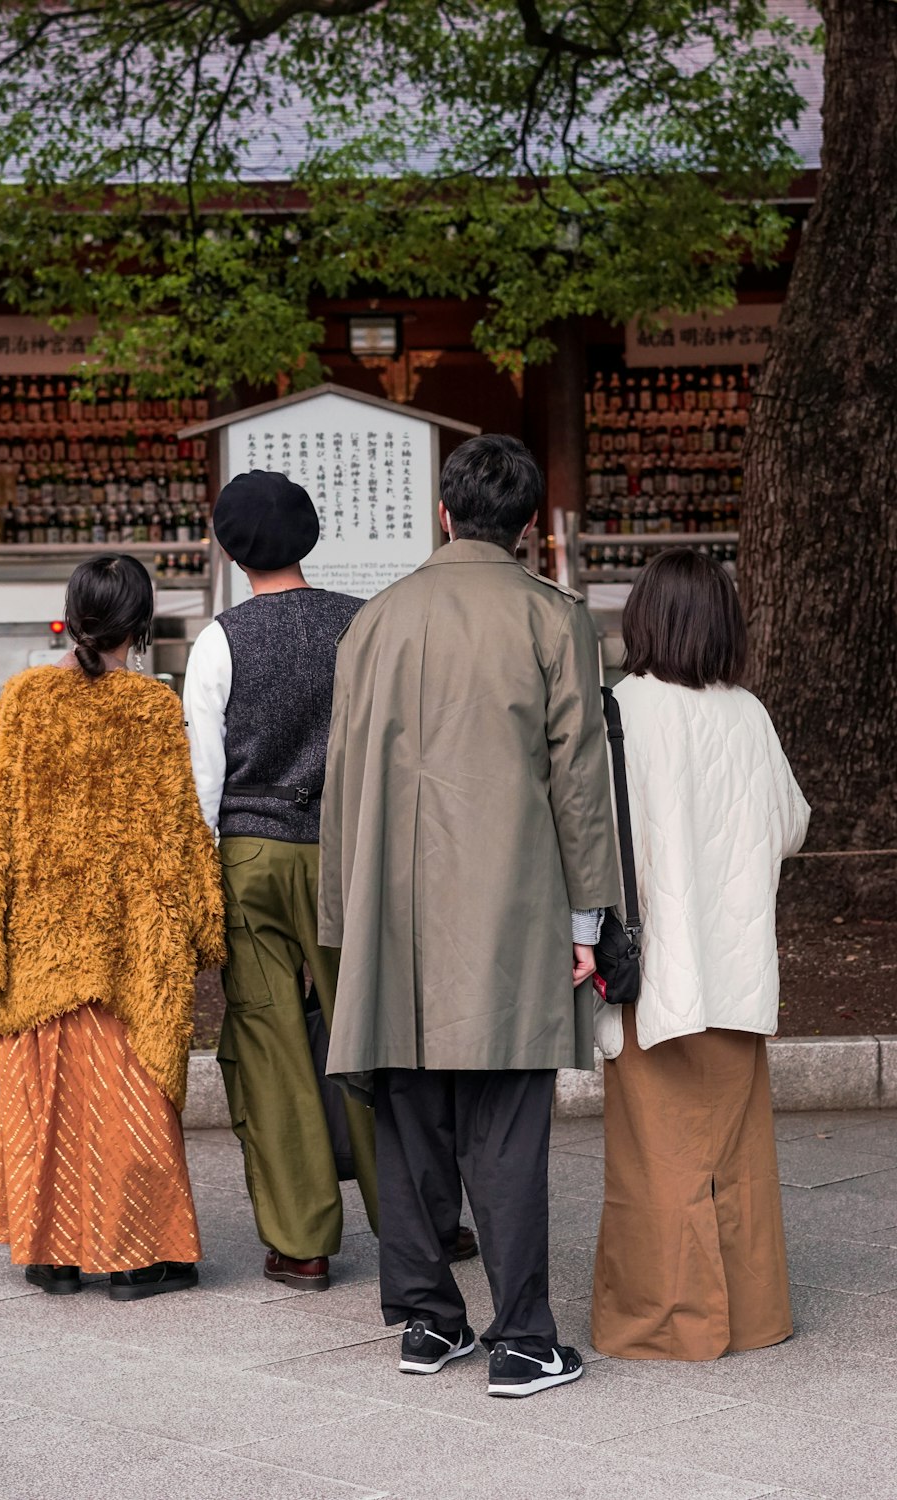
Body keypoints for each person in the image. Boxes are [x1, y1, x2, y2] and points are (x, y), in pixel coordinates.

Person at [319, 434, 620, 1398]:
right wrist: (590, 923)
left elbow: (341, 781)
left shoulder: (375, 621)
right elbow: (580, 781)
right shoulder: (551, 618)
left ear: (443, 515)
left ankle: (426, 1320)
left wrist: (342, 923)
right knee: (505, 1123)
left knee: (407, 1118)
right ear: (530, 526)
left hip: (392, 912)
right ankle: (522, 1339)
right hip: (508, 906)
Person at [0, 554, 225, 1300]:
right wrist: (205, 925)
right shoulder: (152, 708)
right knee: (129, 1101)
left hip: (39, 945)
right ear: (139, 624)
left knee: (46, 1104)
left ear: (73, 618)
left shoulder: (24, 698)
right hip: (126, 946)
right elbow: (179, 831)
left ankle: (52, 1255)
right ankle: (137, 1259)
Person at [185, 471, 426, 1291]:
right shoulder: (360, 624)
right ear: (311, 537)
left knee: (270, 1040)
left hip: (249, 852)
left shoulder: (219, 641)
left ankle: (302, 1239)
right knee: (370, 1031)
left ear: (228, 547)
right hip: (347, 849)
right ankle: (414, 1220)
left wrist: (200, 883)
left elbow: (202, 783)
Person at [591, 548, 810, 1361]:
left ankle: (668, 1324)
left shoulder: (622, 710)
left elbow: (597, 843)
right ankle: (752, 1316)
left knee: (657, 1159)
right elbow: (790, 824)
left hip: (657, 977)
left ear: (643, 617)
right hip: (738, 962)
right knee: (738, 1158)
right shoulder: (747, 713)